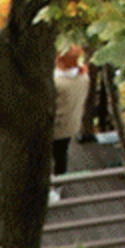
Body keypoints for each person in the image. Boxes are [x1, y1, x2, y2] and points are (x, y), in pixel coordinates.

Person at [53, 46, 90, 180]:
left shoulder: (57, 82)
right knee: (61, 155)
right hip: (71, 124)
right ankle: (59, 185)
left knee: (45, 156)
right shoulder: (83, 77)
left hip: (54, 127)